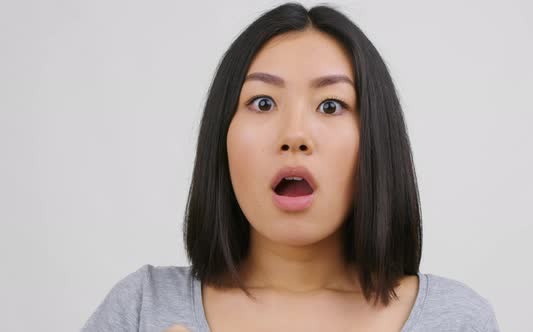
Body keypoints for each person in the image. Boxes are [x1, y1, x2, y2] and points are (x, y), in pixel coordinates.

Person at [82, 2, 499, 331]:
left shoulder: (457, 320)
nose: (294, 134)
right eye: (262, 103)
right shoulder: (141, 309)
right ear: (220, 136)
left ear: (376, 139)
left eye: (331, 105)